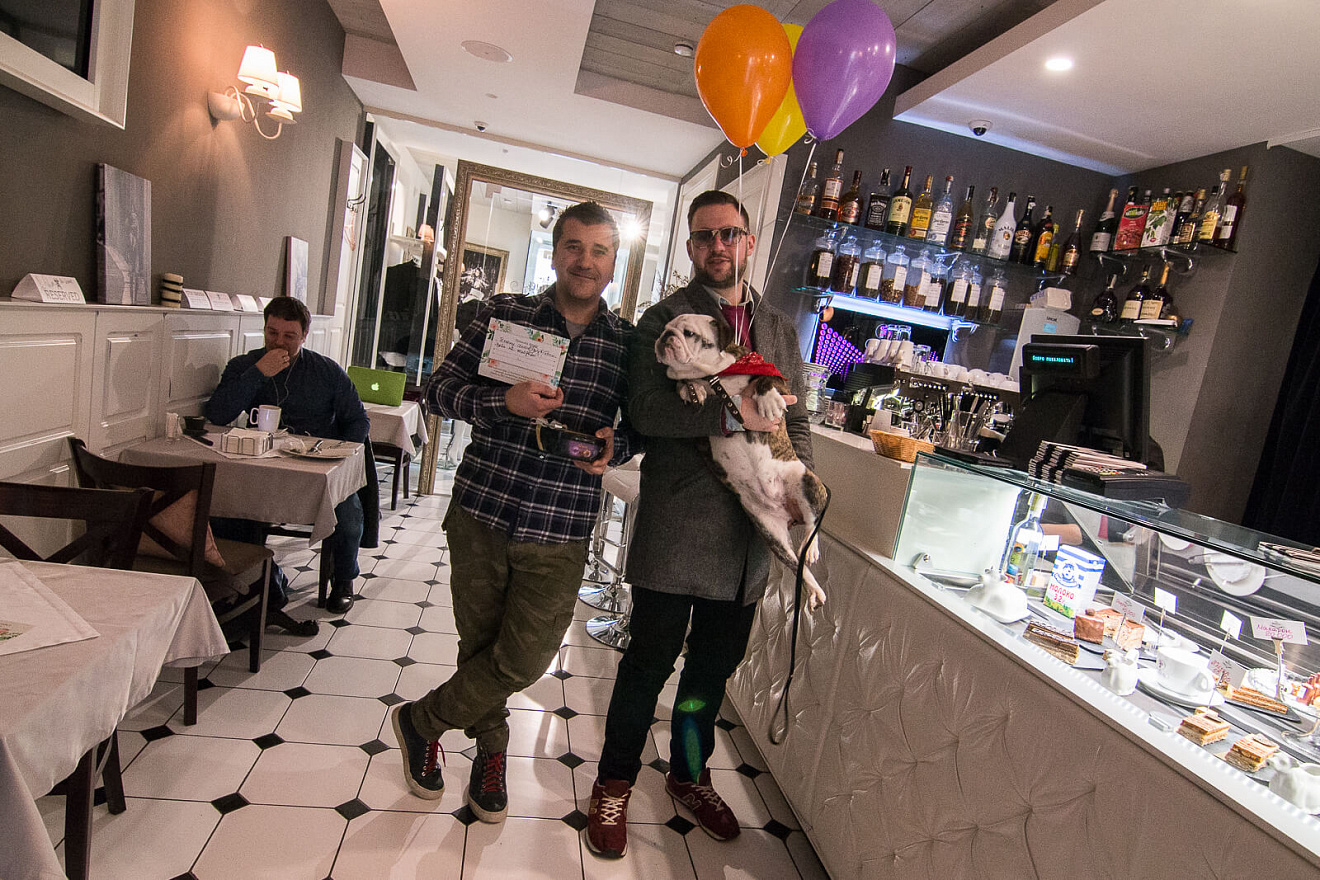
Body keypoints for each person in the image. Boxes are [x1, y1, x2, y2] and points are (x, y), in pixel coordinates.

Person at [391, 201, 639, 824]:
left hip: (561, 524)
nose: (585, 261)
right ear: (555, 253)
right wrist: (505, 401)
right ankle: (491, 755)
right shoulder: (504, 315)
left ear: (614, 264)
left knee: (525, 657)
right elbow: (440, 390)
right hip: (483, 509)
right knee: (479, 645)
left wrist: (618, 444)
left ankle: (422, 721)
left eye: (599, 250)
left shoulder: (627, 345)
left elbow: (638, 426)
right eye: (574, 246)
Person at [585, 190, 813, 859]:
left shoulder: (779, 328)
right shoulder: (663, 318)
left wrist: (797, 486)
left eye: (729, 233)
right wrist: (734, 413)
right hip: (678, 522)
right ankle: (614, 782)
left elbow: (795, 420)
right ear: (690, 247)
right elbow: (647, 413)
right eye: (705, 236)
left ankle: (687, 774)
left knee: (711, 674)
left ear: (749, 242)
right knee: (648, 663)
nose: (718, 246)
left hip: (747, 541)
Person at [206, 296, 371, 625]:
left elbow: (358, 420)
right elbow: (217, 414)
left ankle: (343, 579)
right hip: (263, 467)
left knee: (348, 512)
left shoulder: (326, 371)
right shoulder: (244, 366)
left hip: (317, 464)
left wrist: (341, 457)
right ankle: (261, 580)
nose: (279, 342)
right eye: (272, 333)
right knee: (224, 505)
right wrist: (258, 374)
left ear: (304, 336)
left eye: (289, 336)